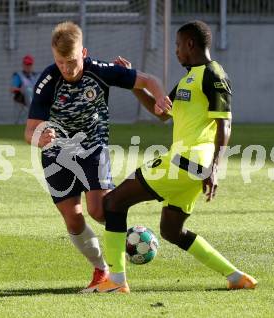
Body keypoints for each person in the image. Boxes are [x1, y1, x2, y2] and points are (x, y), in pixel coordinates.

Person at [83, 20, 258, 293]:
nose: (176, 51)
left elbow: (225, 124)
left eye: (177, 45)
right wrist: (133, 82)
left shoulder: (214, 74)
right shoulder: (189, 79)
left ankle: (116, 281)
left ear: (190, 44)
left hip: (187, 162)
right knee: (171, 231)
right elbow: (161, 113)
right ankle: (235, 276)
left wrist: (215, 169)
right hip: (190, 168)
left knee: (114, 203)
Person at [24, 21, 169, 291]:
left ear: (84, 53)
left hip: (93, 148)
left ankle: (127, 242)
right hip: (57, 155)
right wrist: (39, 139)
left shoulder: (100, 71)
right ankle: (102, 270)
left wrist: (160, 98)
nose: (67, 68)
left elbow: (150, 80)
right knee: (73, 219)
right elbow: (29, 131)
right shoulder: (47, 81)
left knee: (99, 211)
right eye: (60, 62)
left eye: (72, 61)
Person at [11, 55, 39, 123]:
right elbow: (12, 89)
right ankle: (33, 112)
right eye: (26, 64)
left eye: (29, 64)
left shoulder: (36, 76)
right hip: (22, 99)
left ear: (32, 65)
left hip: (36, 98)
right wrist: (21, 89)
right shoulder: (18, 75)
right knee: (28, 90)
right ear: (23, 65)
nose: (28, 66)